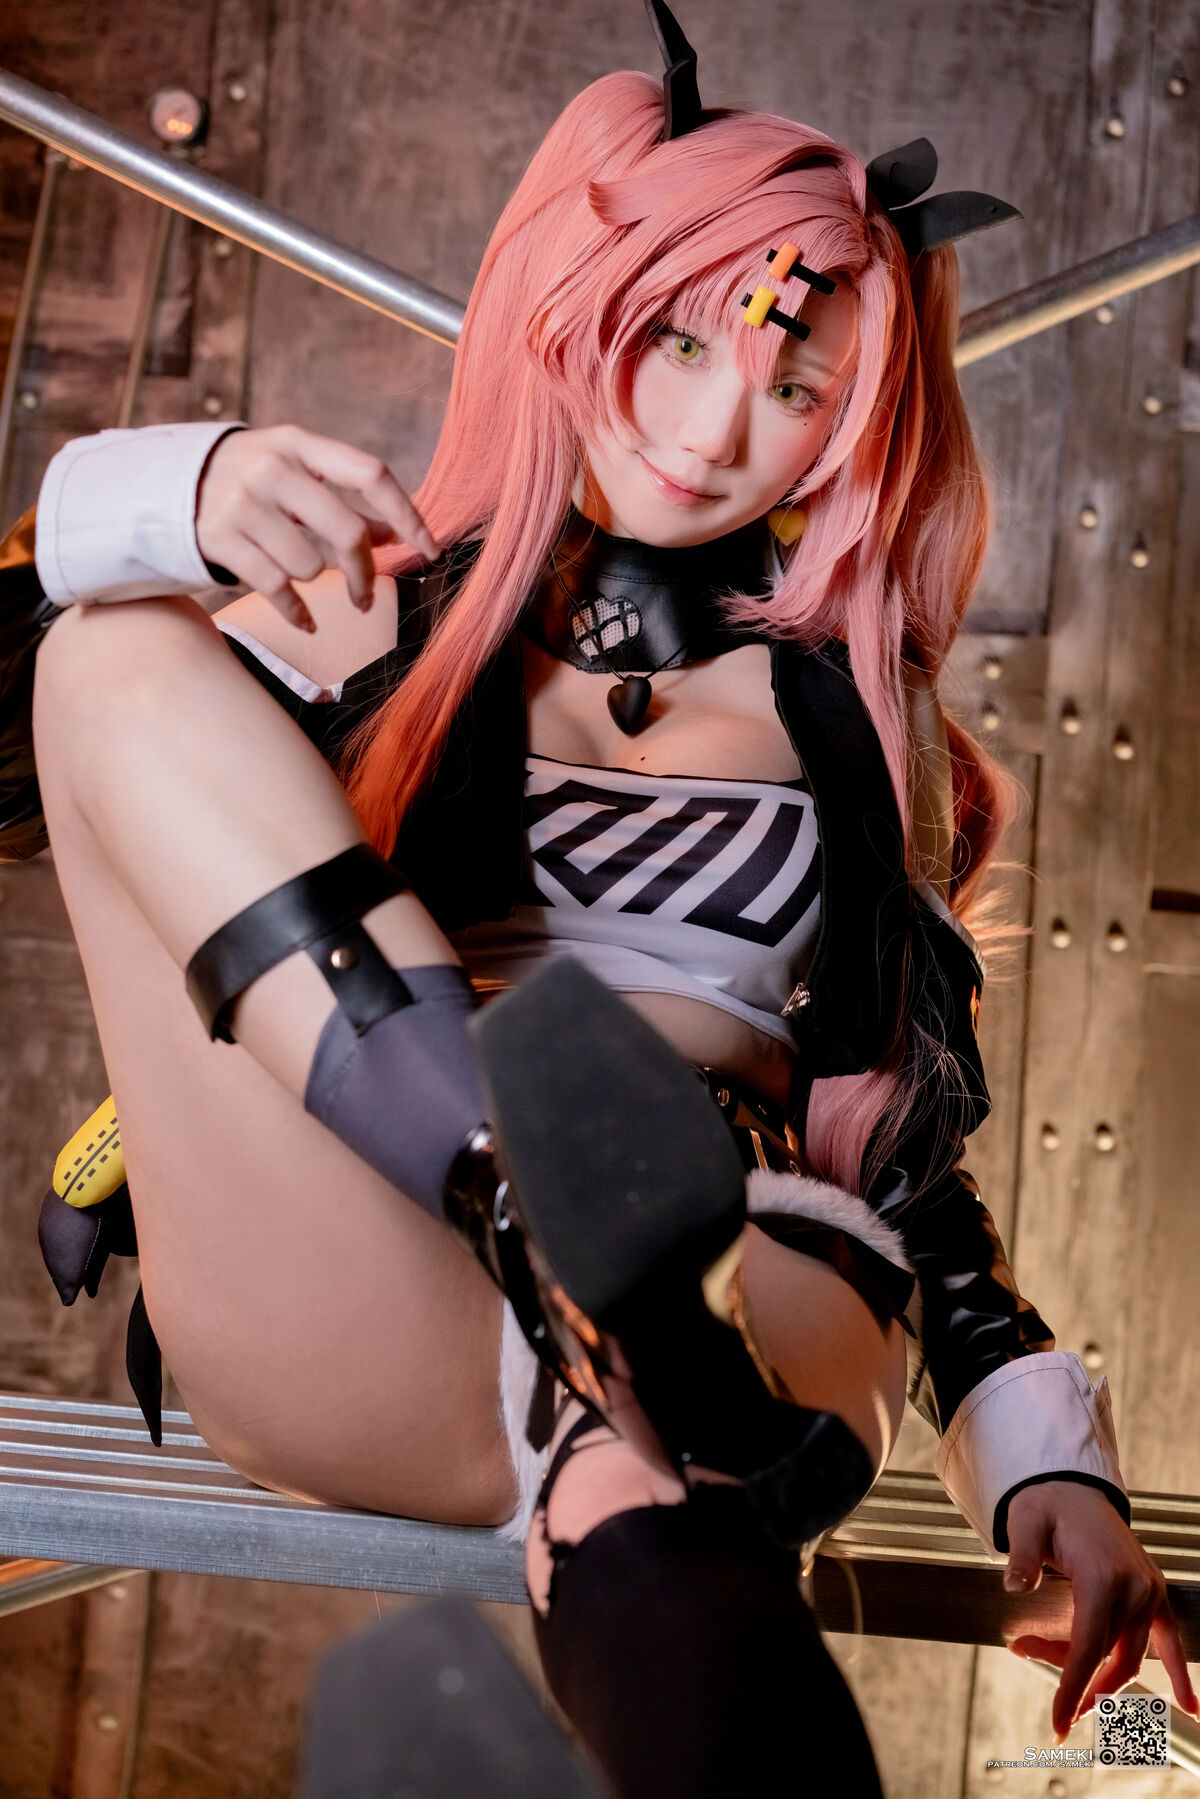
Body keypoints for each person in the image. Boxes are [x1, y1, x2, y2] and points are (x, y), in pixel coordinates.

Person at [2, 11, 1194, 1791]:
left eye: (795, 391)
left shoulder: (869, 729)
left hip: (750, 1253)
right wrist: (174, 495)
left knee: (644, 1458)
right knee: (105, 654)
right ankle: (536, 1213)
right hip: (370, 1260)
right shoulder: (371, 613)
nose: (716, 433)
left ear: (850, 430)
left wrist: (1048, 1463)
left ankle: (615, 1340)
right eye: (678, 341)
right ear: (576, 305)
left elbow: (910, 1161)